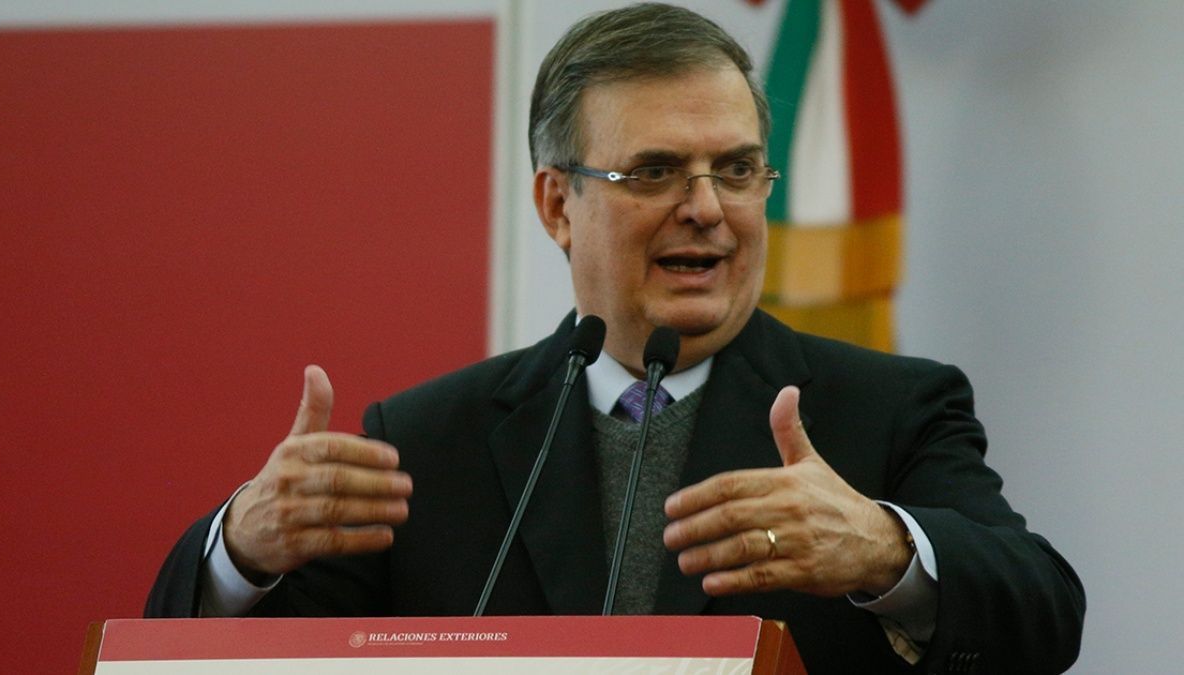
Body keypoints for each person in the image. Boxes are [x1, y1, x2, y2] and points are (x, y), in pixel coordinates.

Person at [146, 4, 1085, 673]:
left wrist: (882, 549)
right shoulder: (428, 441)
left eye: (738, 169)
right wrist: (244, 549)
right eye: (656, 171)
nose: (708, 208)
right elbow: (214, 654)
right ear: (559, 204)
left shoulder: (886, 410)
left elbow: (1045, 617)